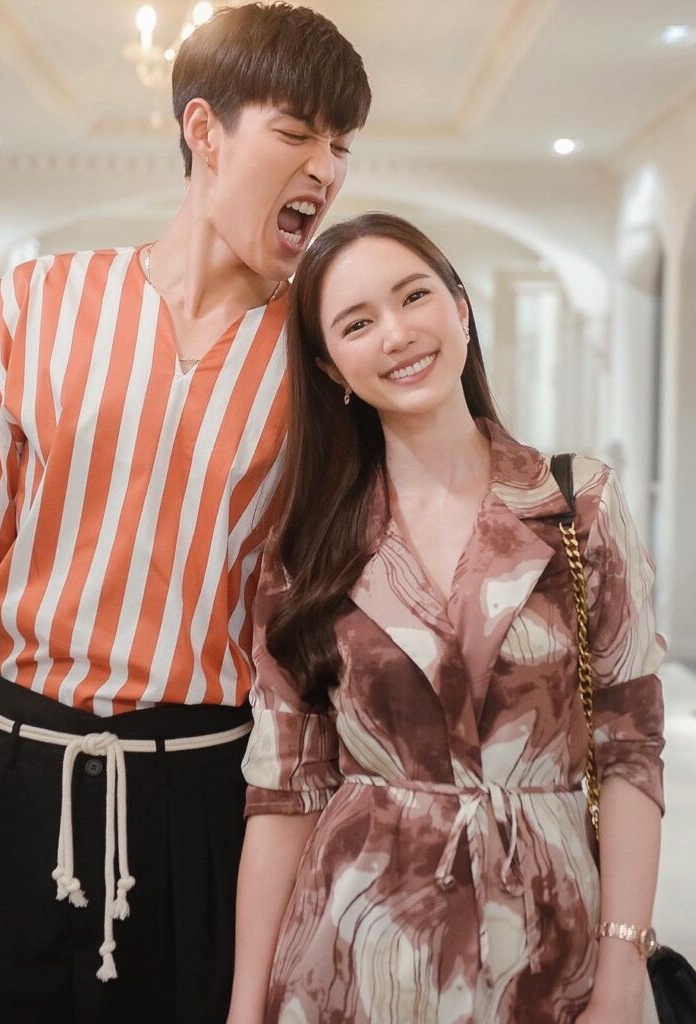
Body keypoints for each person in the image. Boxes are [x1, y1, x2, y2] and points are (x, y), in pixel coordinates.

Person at [0, 5, 370, 1021]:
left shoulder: (321, 361)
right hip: (2, 785)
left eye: (342, 145)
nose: (324, 167)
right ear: (204, 130)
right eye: (296, 132)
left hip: (202, 807)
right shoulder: (34, 305)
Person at [229, 213, 665, 1024]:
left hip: (548, 950)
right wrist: (244, 1010)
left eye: (413, 297)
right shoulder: (312, 543)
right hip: (354, 960)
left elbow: (630, 750)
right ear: (330, 369)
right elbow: (285, 792)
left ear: (459, 308)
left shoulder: (576, 505)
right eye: (357, 323)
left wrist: (622, 964)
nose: (396, 334)